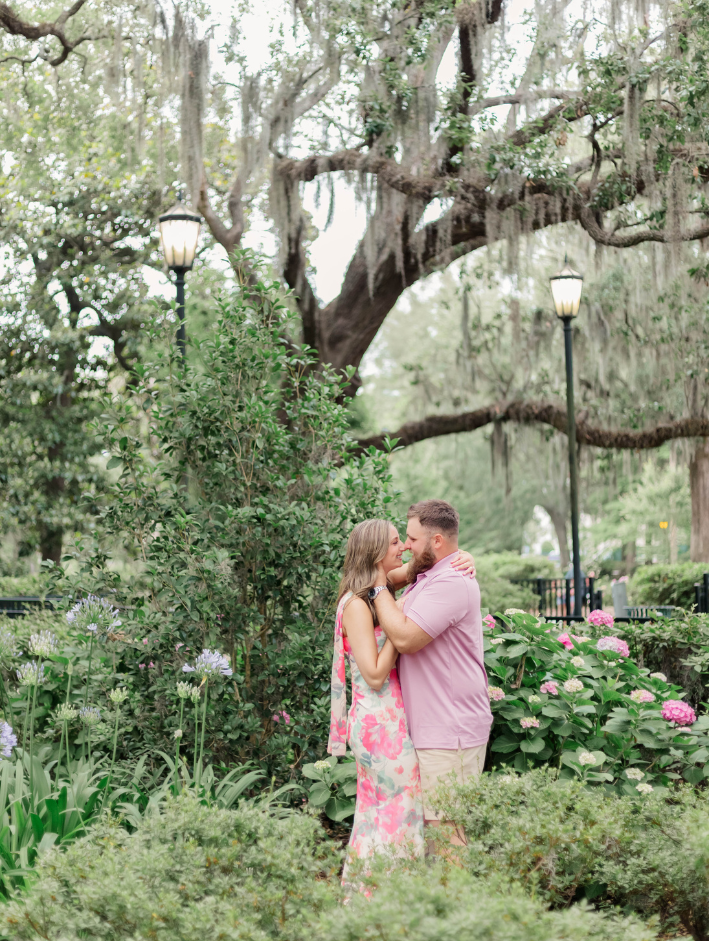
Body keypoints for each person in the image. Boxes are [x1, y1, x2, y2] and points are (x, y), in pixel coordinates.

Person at [328, 517, 476, 885]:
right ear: (377, 552)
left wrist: (465, 557)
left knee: (388, 815)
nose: (403, 547)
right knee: (393, 815)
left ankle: (386, 899)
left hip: (392, 720)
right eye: (396, 542)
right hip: (379, 727)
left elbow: (431, 558)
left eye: (404, 540)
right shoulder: (358, 605)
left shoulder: (382, 585)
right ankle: (379, 898)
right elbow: (375, 675)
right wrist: (401, 625)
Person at [371, 499, 492, 849]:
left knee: (447, 833)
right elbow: (391, 574)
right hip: (434, 729)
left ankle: (457, 904)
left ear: (437, 541)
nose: (406, 546)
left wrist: (378, 589)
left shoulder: (451, 581)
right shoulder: (429, 571)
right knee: (440, 831)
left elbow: (407, 638)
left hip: (449, 732)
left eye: (412, 539)